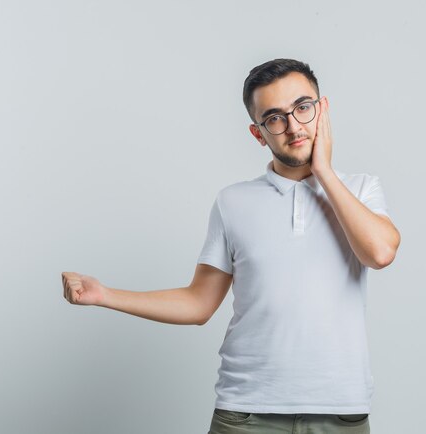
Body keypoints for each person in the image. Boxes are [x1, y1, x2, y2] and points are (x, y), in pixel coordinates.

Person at [62, 58, 401, 434]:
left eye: (303, 108)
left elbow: (380, 253)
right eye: (274, 118)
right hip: (245, 414)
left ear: (322, 111)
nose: (293, 127)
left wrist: (323, 171)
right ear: (259, 134)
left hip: (340, 412)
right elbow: (199, 303)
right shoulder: (232, 202)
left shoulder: (361, 190)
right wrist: (105, 294)